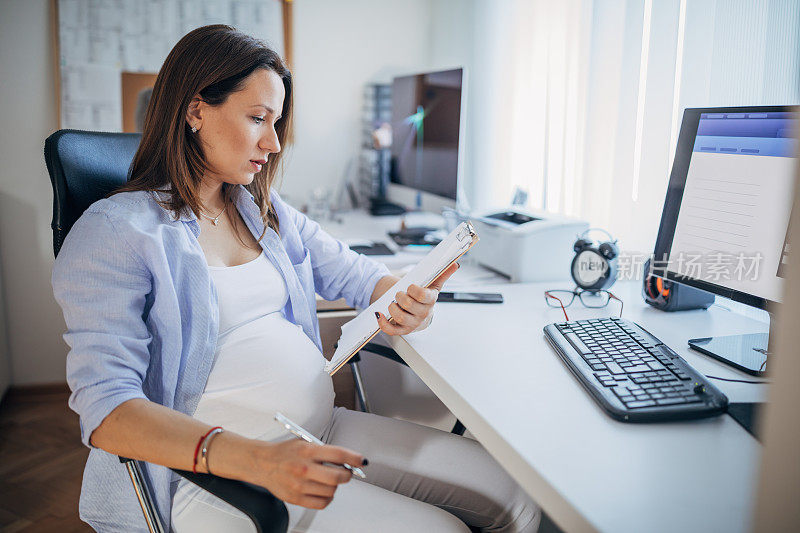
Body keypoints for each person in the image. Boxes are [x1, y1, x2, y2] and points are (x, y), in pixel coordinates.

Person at [52, 25, 541, 532]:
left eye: (277, 121)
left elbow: (360, 275)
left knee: (516, 496)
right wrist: (259, 461)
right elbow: (108, 411)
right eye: (258, 118)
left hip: (316, 430)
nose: (273, 142)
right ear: (196, 110)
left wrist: (407, 296)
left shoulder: (261, 210)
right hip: (212, 476)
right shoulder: (117, 232)